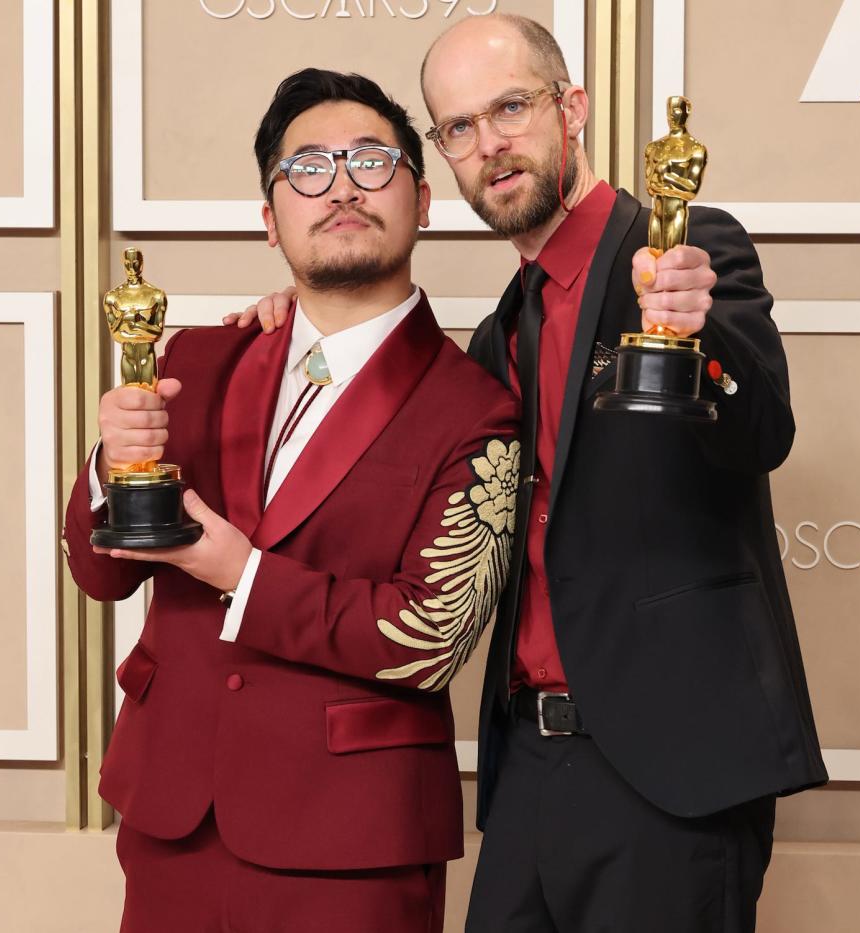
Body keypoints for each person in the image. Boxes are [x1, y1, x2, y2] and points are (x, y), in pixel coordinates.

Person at [229, 14, 828, 932]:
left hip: (673, 770)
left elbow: (763, 428)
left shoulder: (685, 247)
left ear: (572, 108)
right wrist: (304, 325)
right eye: (459, 128)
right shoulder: (499, 334)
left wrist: (697, 330)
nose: (490, 144)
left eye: (510, 107)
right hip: (527, 769)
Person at [63, 68, 520, 933]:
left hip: (353, 839)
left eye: (372, 162)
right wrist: (105, 464)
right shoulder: (195, 359)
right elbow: (99, 575)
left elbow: (430, 639)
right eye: (307, 167)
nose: (341, 185)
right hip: (171, 818)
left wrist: (241, 571)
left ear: (423, 201)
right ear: (271, 221)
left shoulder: (478, 407)